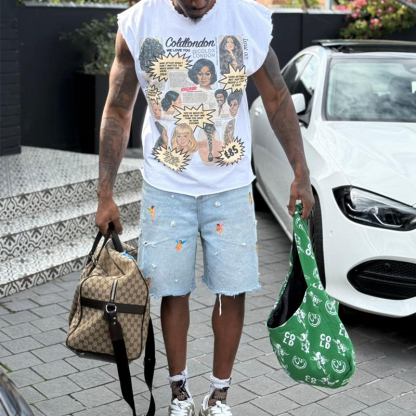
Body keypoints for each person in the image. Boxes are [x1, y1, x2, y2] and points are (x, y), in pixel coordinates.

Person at [96, 1, 314, 415]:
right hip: (166, 188)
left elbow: (277, 98)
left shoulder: (245, 18)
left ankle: (219, 396)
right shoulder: (139, 22)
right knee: (171, 290)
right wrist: (105, 194)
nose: (198, 2)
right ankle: (179, 394)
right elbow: (118, 109)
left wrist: (301, 173)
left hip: (230, 187)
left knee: (231, 290)